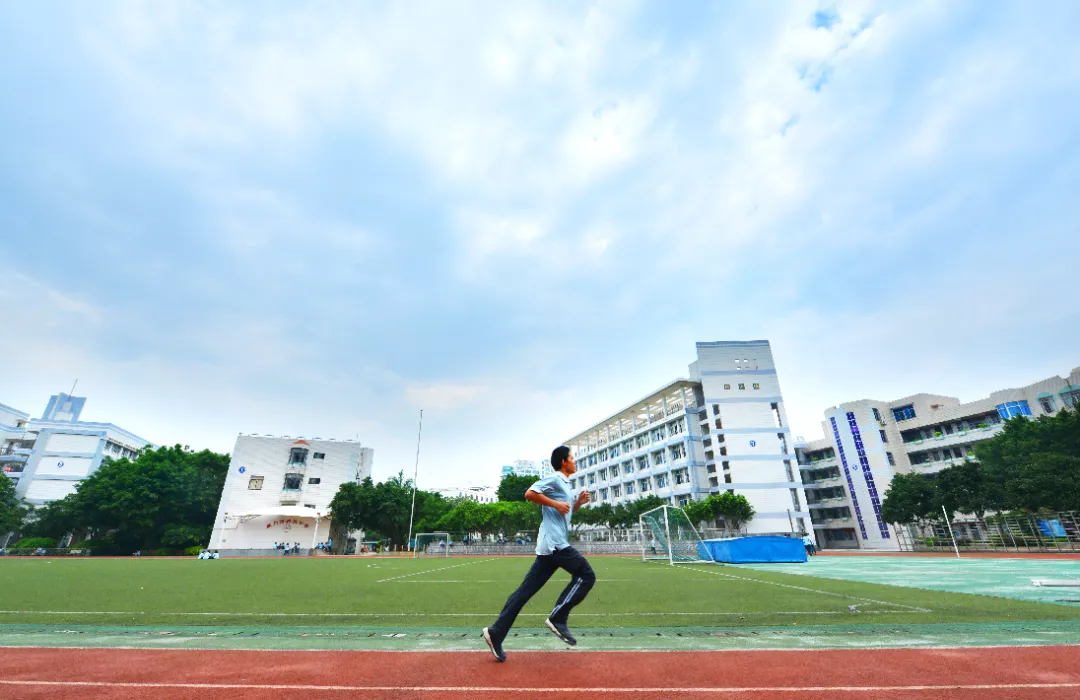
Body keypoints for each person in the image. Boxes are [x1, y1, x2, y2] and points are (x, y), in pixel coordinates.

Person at [482, 445, 595, 662]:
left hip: (549, 548)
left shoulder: (566, 485)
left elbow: (564, 511)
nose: (574, 461)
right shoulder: (554, 479)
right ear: (563, 461)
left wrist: (577, 504)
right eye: (572, 458)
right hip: (555, 545)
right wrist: (554, 503)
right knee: (586, 575)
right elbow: (530, 493)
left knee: (524, 592)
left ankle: (496, 632)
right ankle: (558, 617)